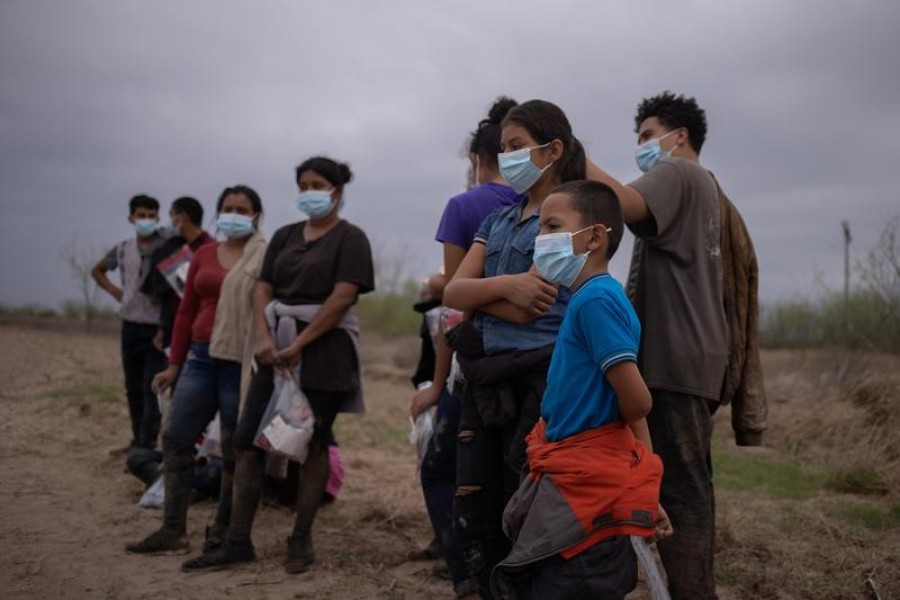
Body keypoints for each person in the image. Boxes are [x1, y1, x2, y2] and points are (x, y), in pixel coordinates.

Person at [587, 91, 766, 599]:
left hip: (673, 360)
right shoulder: (710, 190)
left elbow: (623, 203)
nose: (642, 147)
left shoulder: (680, 173)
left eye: (647, 136)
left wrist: (574, 155)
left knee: (680, 495)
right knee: (688, 488)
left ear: (679, 136)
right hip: (696, 359)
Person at [182, 156, 374, 574]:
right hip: (274, 351)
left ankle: (300, 539)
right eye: (303, 184)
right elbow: (262, 289)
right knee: (247, 443)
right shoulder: (285, 236)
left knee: (312, 443)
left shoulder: (351, 239)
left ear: (337, 191)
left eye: (317, 184)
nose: (309, 191)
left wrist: (301, 343)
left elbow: (342, 298)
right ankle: (236, 540)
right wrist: (265, 340)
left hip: (325, 352)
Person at [490, 180, 671, 599]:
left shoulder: (594, 301)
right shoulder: (594, 297)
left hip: (585, 481)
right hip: (579, 473)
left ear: (594, 237)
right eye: (540, 231)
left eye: (552, 226)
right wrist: (645, 484)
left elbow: (638, 402)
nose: (541, 240)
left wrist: (603, 443)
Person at [442, 99, 586, 599]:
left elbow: (539, 307)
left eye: (518, 147)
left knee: (523, 507)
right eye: (502, 149)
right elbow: (453, 294)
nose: (507, 158)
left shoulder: (570, 220)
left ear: (553, 150)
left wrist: (487, 297)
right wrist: (508, 288)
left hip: (543, 382)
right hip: (485, 379)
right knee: (475, 505)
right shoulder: (497, 221)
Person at [409, 96, 521, 600]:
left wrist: (436, 384)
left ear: (477, 160)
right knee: (512, 477)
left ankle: (468, 579)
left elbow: (455, 307)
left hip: (475, 367)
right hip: (536, 365)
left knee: (440, 470)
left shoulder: (466, 206)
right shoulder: (553, 203)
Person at [125, 185, 267, 555]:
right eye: (228, 207)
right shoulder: (203, 253)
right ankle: (173, 529)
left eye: (242, 208)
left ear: (255, 215)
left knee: (236, 447)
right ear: (218, 213)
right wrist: (174, 365)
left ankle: (221, 529)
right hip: (200, 359)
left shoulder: (264, 257)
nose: (234, 213)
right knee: (175, 436)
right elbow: (186, 310)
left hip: (240, 360)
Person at [92, 194, 167, 452]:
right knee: (133, 388)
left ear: (158, 218)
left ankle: (147, 445)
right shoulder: (123, 249)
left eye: (150, 215)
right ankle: (138, 440)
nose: (146, 220)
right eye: (141, 215)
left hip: (157, 328)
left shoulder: (166, 247)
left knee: (151, 388)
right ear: (131, 218)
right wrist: (116, 292)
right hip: (131, 325)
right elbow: (98, 270)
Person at [140, 196, 214, 352]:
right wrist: (163, 328)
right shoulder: (174, 247)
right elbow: (171, 293)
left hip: (200, 330)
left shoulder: (209, 249)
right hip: (176, 327)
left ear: (182, 218)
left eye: (172, 216)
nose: (170, 222)